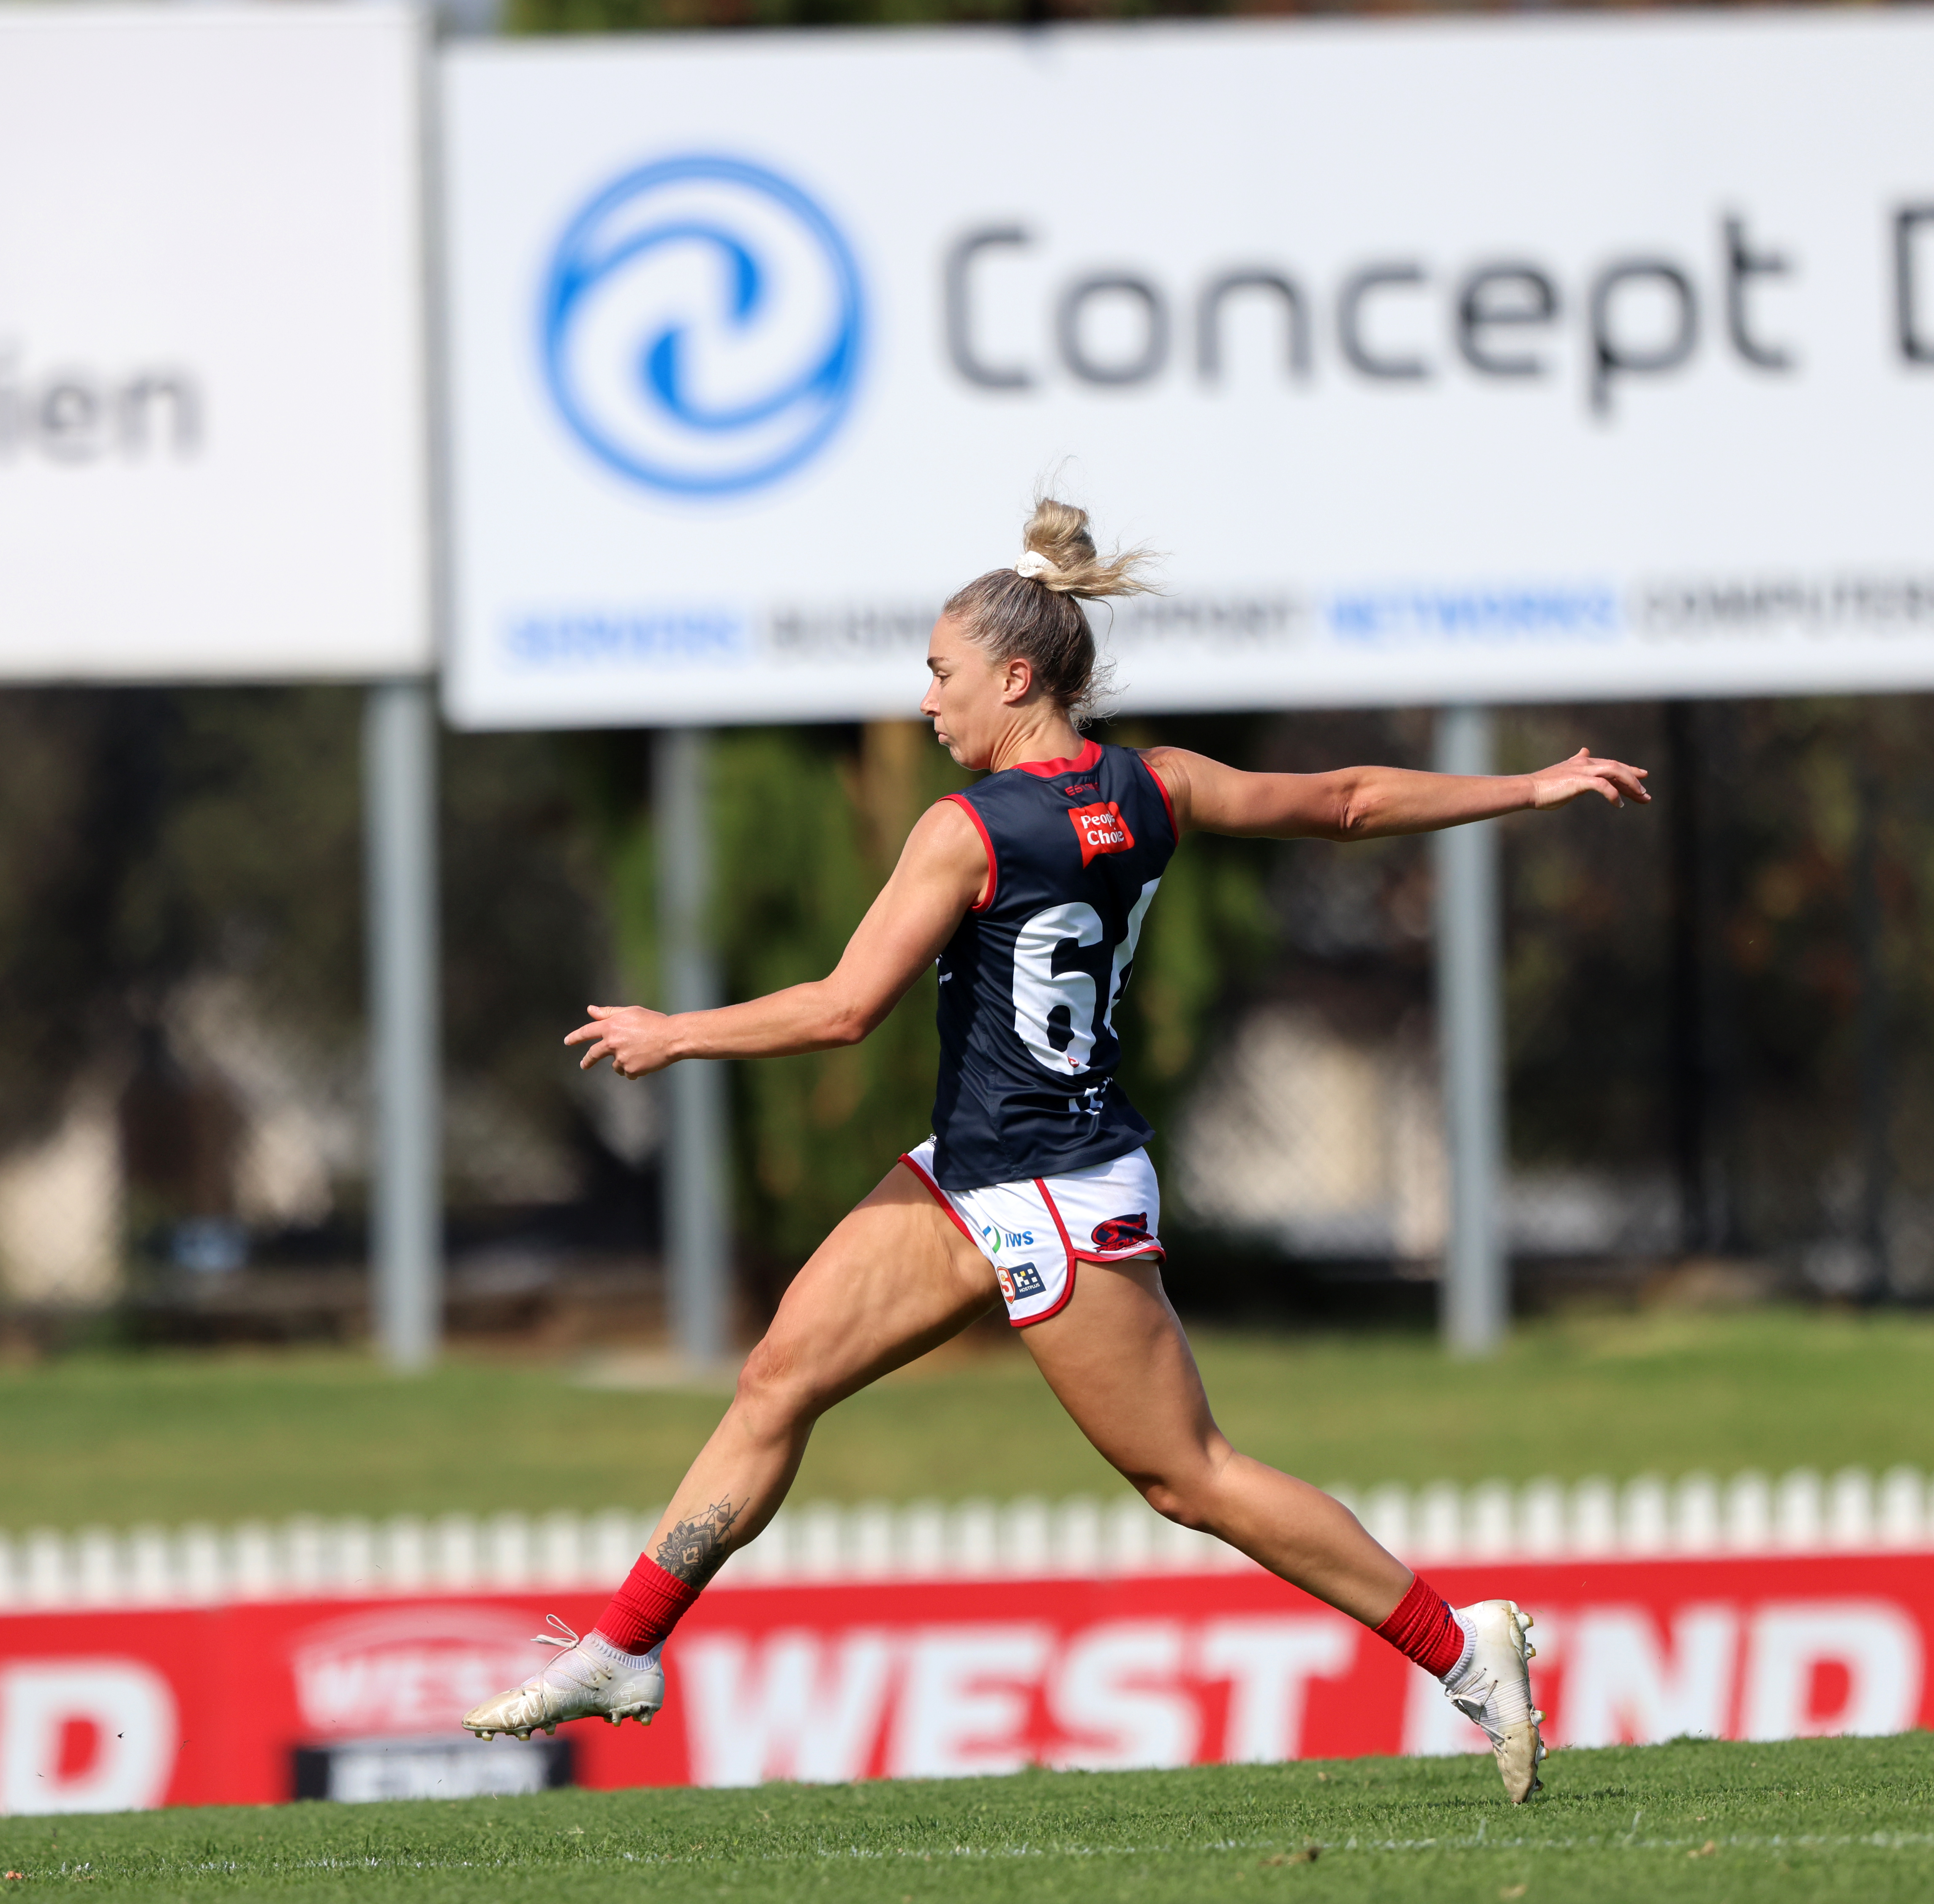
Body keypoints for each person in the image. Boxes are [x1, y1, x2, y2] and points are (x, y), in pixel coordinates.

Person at [462, 499, 1650, 1804]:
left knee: (1189, 1477)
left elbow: (844, 1009)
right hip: (973, 1174)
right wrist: (1531, 785)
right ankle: (624, 1650)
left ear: (1014, 679)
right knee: (776, 1380)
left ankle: (1461, 1649)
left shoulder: (964, 830)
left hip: (1058, 1193)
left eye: (940, 674)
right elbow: (1352, 800)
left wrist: (676, 1034)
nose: (927, 703)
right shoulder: (1156, 786)